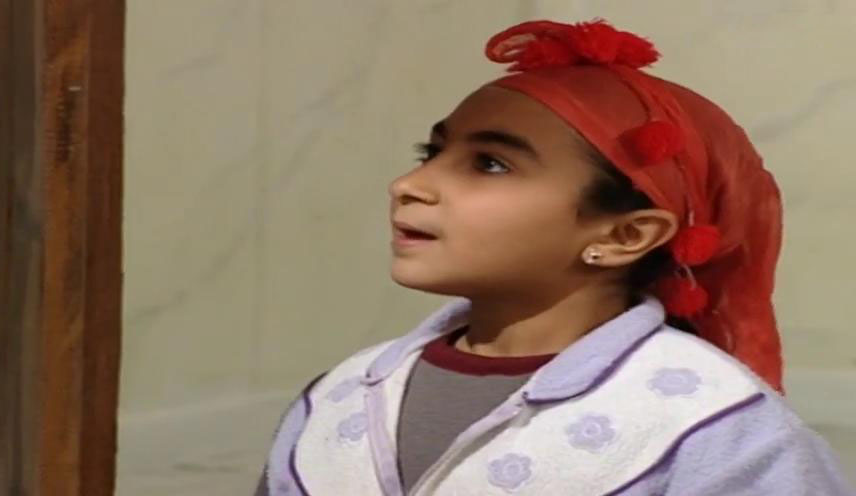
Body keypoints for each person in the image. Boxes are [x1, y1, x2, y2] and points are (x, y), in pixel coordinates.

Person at [254, 19, 855, 495]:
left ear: (626, 235)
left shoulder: (714, 425)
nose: (409, 185)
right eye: (430, 152)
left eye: (491, 164)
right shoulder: (341, 394)